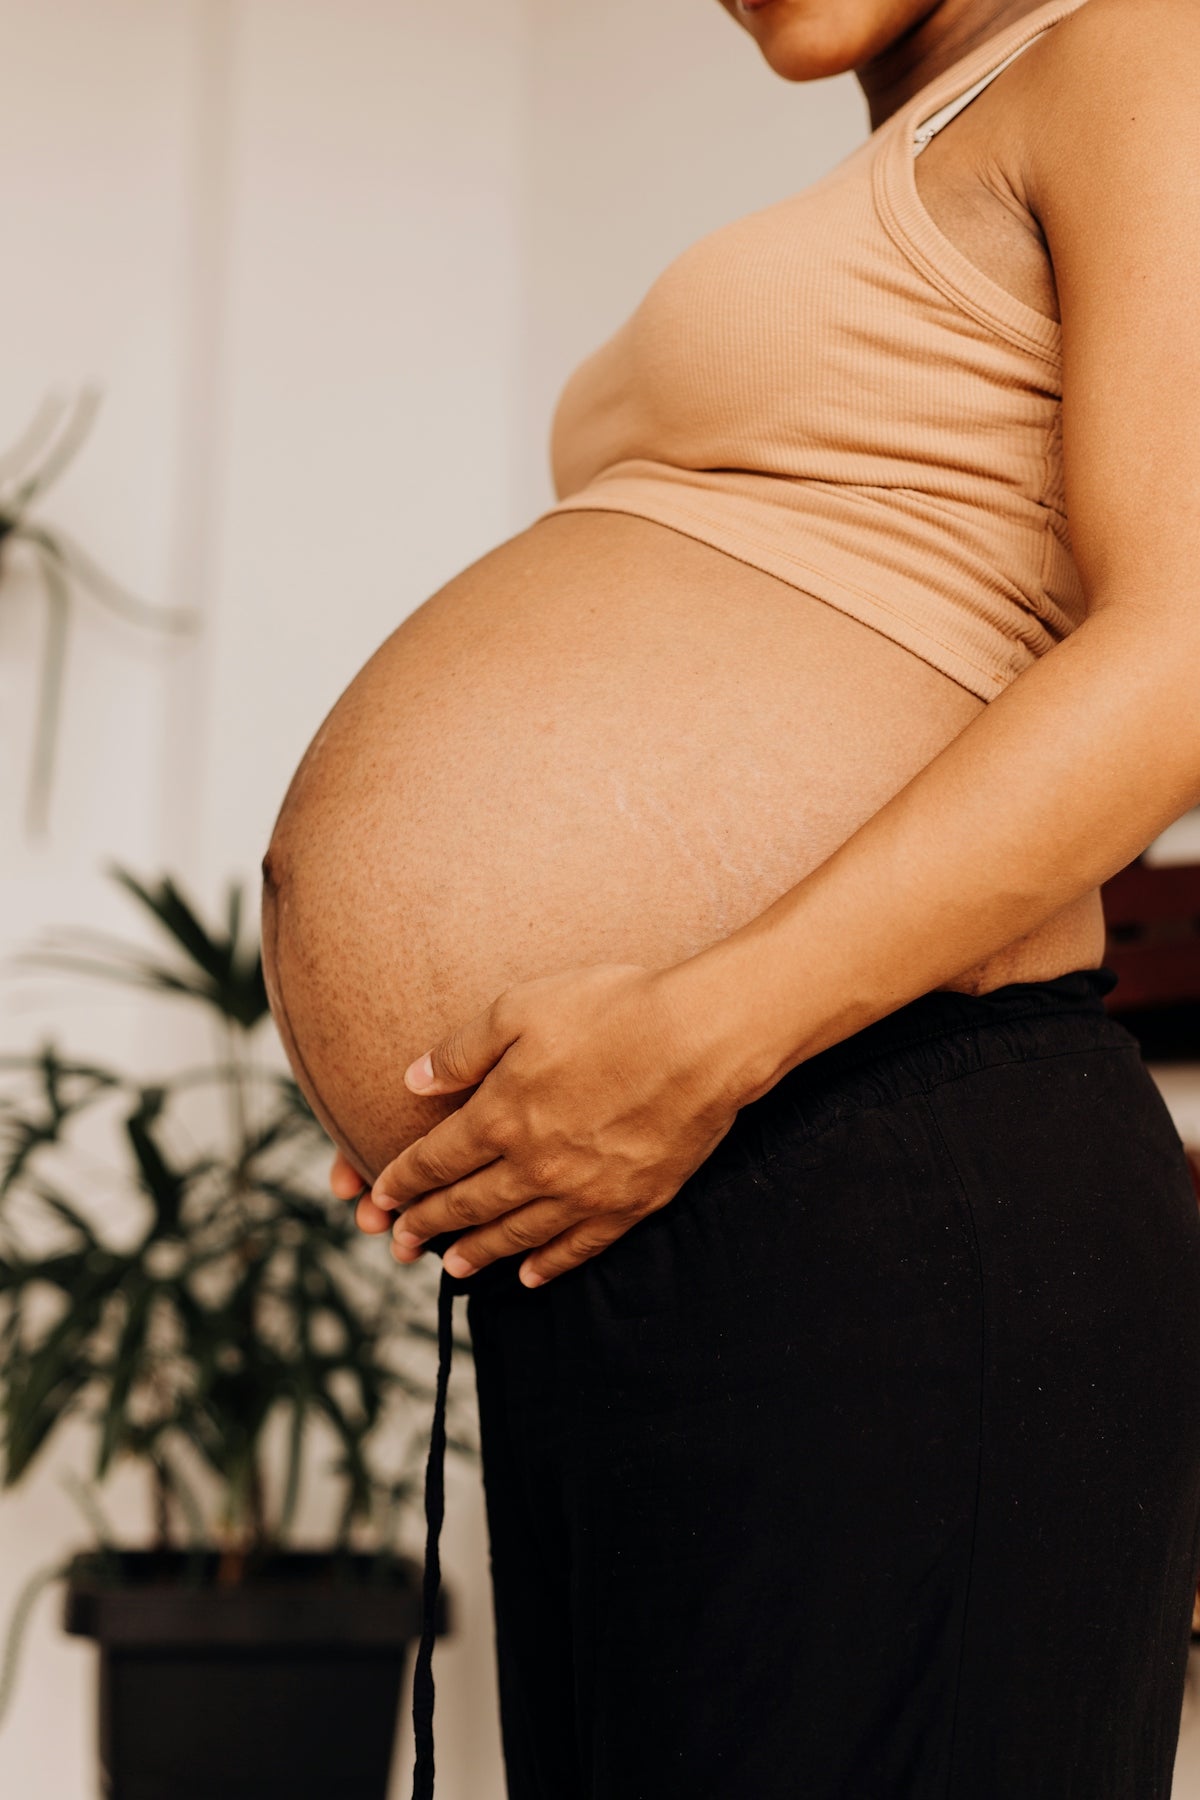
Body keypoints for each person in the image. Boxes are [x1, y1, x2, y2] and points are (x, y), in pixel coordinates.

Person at [259, 0, 1200, 1793]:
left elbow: (1189, 651)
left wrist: (700, 1027)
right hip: (655, 1187)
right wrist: (451, 1060)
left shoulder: (1133, 46)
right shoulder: (901, 169)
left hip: (889, 1158)